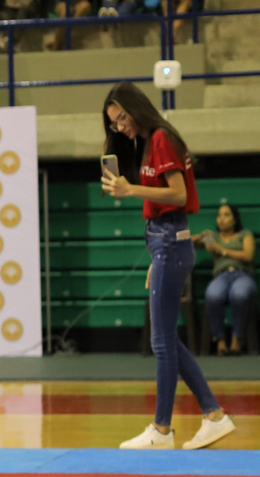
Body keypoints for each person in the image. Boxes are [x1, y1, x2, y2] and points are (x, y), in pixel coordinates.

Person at [100, 82, 235, 449]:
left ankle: (162, 429)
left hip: (170, 243)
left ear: (135, 107)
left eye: (122, 117)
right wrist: (157, 256)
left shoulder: (159, 138)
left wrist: (131, 190)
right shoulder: (153, 140)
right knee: (167, 339)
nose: (120, 127)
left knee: (162, 341)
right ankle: (213, 415)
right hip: (166, 245)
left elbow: (178, 195)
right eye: (114, 124)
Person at [195, 204, 256, 356]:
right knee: (213, 295)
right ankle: (220, 341)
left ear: (235, 219)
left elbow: (248, 256)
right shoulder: (213, 237)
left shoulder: (244, 234)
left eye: (226, 215)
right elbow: (187, 242)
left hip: (243, 275)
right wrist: (201, 236)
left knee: (239, 295)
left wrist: (221, 250)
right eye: (219, 215)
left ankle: (237, 339)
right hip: (221, 276)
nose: (221, 219)